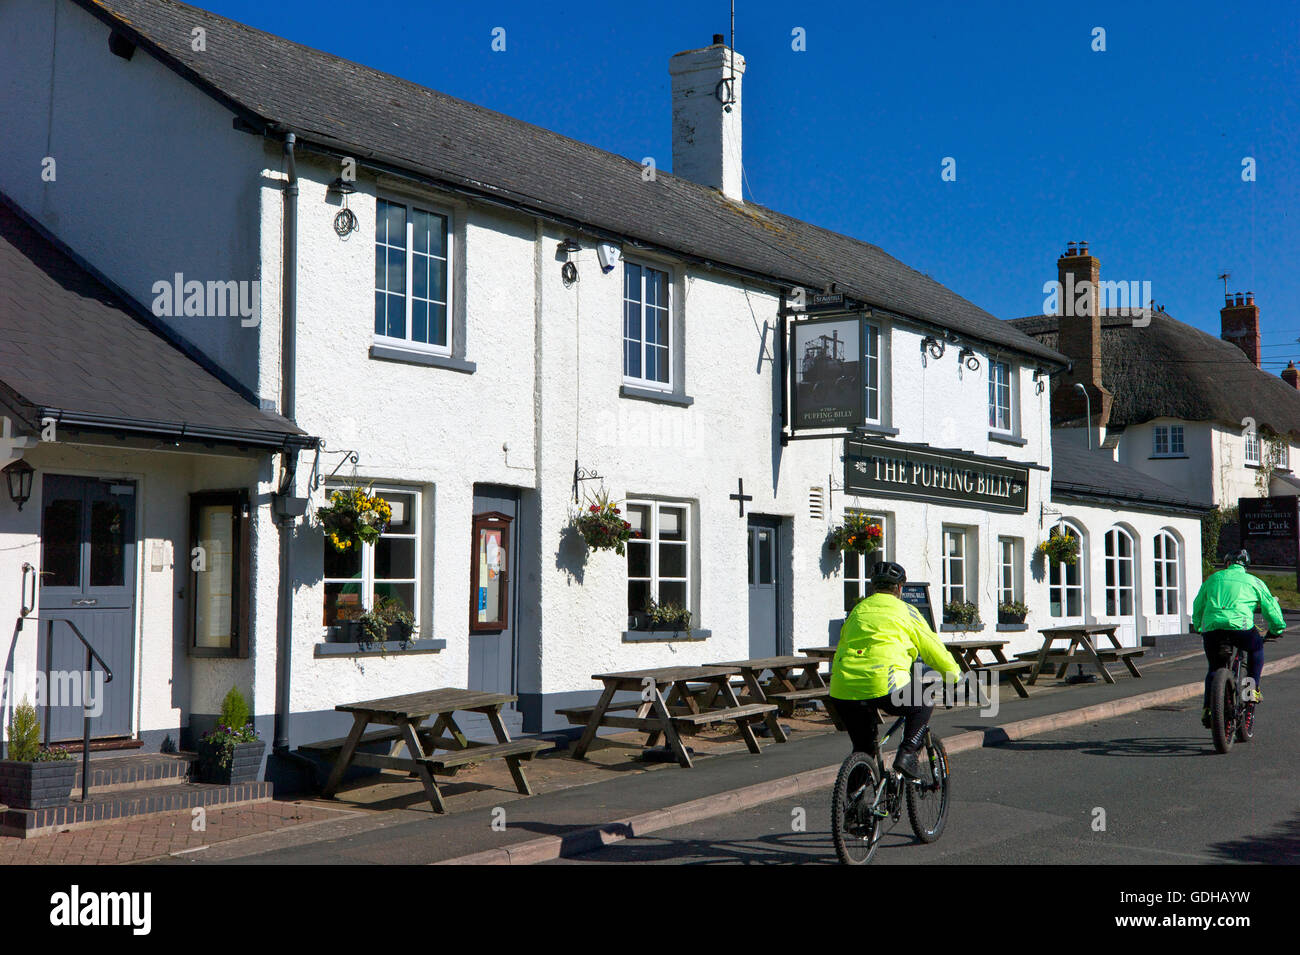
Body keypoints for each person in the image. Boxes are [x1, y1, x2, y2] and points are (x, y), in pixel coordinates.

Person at [830, 561, 962, 780]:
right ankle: (908, 754)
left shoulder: (857, 610)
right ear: (900, 588)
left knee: (863, 749)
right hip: (884, 684)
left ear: (873, 586)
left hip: (843, 688)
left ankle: (853, 807)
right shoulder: (906, 610)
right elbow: (932, 648)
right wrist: (955, 675)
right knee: (923, 701)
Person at [1191, 549, 1285, 732]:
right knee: (1255, 649)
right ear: (1245, 566)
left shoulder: (1213, 579)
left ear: (1227, 563)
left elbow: (1198, 605)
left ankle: (1208, 709)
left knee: (1214, 667)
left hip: (1213, 629)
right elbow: (1271, 607)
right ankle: (1251, 691)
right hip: (1240, 628)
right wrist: (1277, 629)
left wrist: (1198, 626)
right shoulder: (1254, 581)